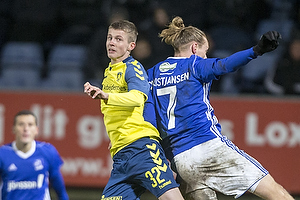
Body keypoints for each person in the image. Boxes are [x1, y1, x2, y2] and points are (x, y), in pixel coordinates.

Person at [144, 16, 294, 200]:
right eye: (205, 52)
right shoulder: (194, 64)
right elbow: (224, 64)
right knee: (271, 189)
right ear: (194, 48)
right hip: (207, 145)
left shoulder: (151, 74)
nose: (206, 57)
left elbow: (149, 119)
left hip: (181, 161)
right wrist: (256, 50)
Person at [83, 19, 184, 200]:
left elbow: (138, 98)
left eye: (119, 39)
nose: (112, 42)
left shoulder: (133, 67)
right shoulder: (109, 72)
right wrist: (115, 137)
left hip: (141, 149)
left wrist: (107, 96)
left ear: (131, 45)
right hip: (121, 157)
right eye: (110, 37)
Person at [0, 110, 69, 200]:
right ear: (13, 129)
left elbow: (59, 187)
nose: (26, 129)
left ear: (36, 130)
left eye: (30, 125)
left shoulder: (47, 151)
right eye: (21, 124)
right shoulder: (3, 154)